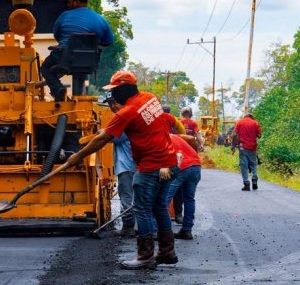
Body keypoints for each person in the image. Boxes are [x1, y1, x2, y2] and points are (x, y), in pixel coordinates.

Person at [63, 70, 179, 269]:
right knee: (159, 208)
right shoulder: (150, 98)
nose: (112, 95)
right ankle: (167, 251)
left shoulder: (126, 112)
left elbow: (102, 139)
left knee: (142, 210)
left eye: (114, 90)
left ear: (123, 90)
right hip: (169, 163)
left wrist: (77, 156)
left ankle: (145, 256)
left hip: (150, 167)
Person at [39, 0, 115, 101]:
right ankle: (78, 98)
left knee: (45, 67)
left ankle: (58, 89)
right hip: (89, 61)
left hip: (64, 58)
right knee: (81, 66)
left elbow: (57, 35)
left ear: (75, 1)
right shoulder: (100, 19)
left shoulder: (64, 15)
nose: (68, 5)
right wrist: (94, 47)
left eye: (69, 2)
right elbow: (109, 41)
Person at [165, 133, 202, 240]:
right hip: (196, 166)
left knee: (164, 199)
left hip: (181, 167)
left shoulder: (159, 138)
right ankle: (187, 231)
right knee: (189, 199)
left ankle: (162, 231)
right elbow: (191, 138)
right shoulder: (175, 136)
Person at [111, 131, 136, 236]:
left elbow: (108, 137)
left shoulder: (124, 131)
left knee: (126, 197)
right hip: (134, 166)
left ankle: (128, 227)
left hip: (126, 167)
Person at [232, 112, 263, 191]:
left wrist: (233, 146)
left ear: (244, 116)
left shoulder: (239, 122)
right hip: (253, 147)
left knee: (244, 165)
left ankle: (246, 184)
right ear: (251, 117)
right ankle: (255, 178)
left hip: (243, 147)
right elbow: (259, 135)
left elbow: (235, 134)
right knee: (253, 163)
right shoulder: (255, 123)